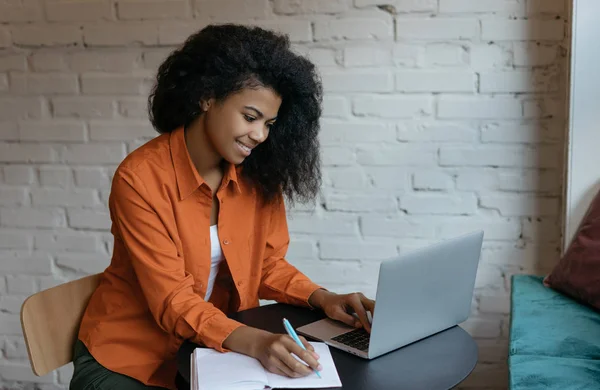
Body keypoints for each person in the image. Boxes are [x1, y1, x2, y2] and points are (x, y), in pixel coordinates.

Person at [70, 24, 375, 390]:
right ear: (207, 98)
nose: (261, 135)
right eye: (250, 117)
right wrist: (256, 341)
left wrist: (323, 298)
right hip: (126, 360)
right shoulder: (140, 179)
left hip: (209, 351)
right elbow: (173, 300)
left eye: (269, 123)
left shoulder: (257, 176)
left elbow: (266, 265)